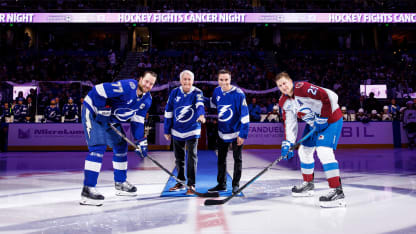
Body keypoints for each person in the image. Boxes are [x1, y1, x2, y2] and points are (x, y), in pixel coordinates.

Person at [80, 71, 157, 206]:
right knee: (98, 147)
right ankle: (88, 189)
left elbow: (137, 121)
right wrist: (101, 107)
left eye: (151, 84)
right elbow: (98, 89)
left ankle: (120, 183)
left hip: (109, 118)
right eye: (146, 81)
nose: (148, 85)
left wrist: (140, 141)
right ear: (140, 79)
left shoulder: (147, 100)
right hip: (93, 110)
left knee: (121, 146)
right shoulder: (127, 86)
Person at [275, 72, 346, 208]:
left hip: (331, 120)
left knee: (324, 151)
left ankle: (338, 191)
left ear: (291, 81)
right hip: (314, 124)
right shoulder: (284, 102)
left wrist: (324, 116)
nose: (283, 87)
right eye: (280, 85)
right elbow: (290, 124)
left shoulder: (302, 88)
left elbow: (330, 96)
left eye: (285, 83)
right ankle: (308, 185)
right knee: (304, 151)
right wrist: (288, 143)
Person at [207, 69, 250, 194]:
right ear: (218, 80)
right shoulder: (217, 91)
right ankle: (221, 184)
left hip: (236, 132)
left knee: (237, 159)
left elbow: (245, 116)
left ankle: (235, 185)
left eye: (226, 80)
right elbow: (213, 104)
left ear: (230, 80)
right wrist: (199, 98)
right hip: (222, 132)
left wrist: (243, 134)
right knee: (221, 159)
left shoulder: (239, 94)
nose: (224, 82)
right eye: (221, 80)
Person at [163, 70, 205, 195]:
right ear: (181, 81)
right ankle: (181, 182)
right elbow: (168, 111)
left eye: (189, 79)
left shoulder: (197, 92)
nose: (187, 82)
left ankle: (191, 185)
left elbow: (200, 105)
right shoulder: (174, 92)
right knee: (178, 158)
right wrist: (167, 129)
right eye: (184, 79)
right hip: (177, 130)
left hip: (192, 128)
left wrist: (201, 115)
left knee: (192, 157)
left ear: (193, 81)